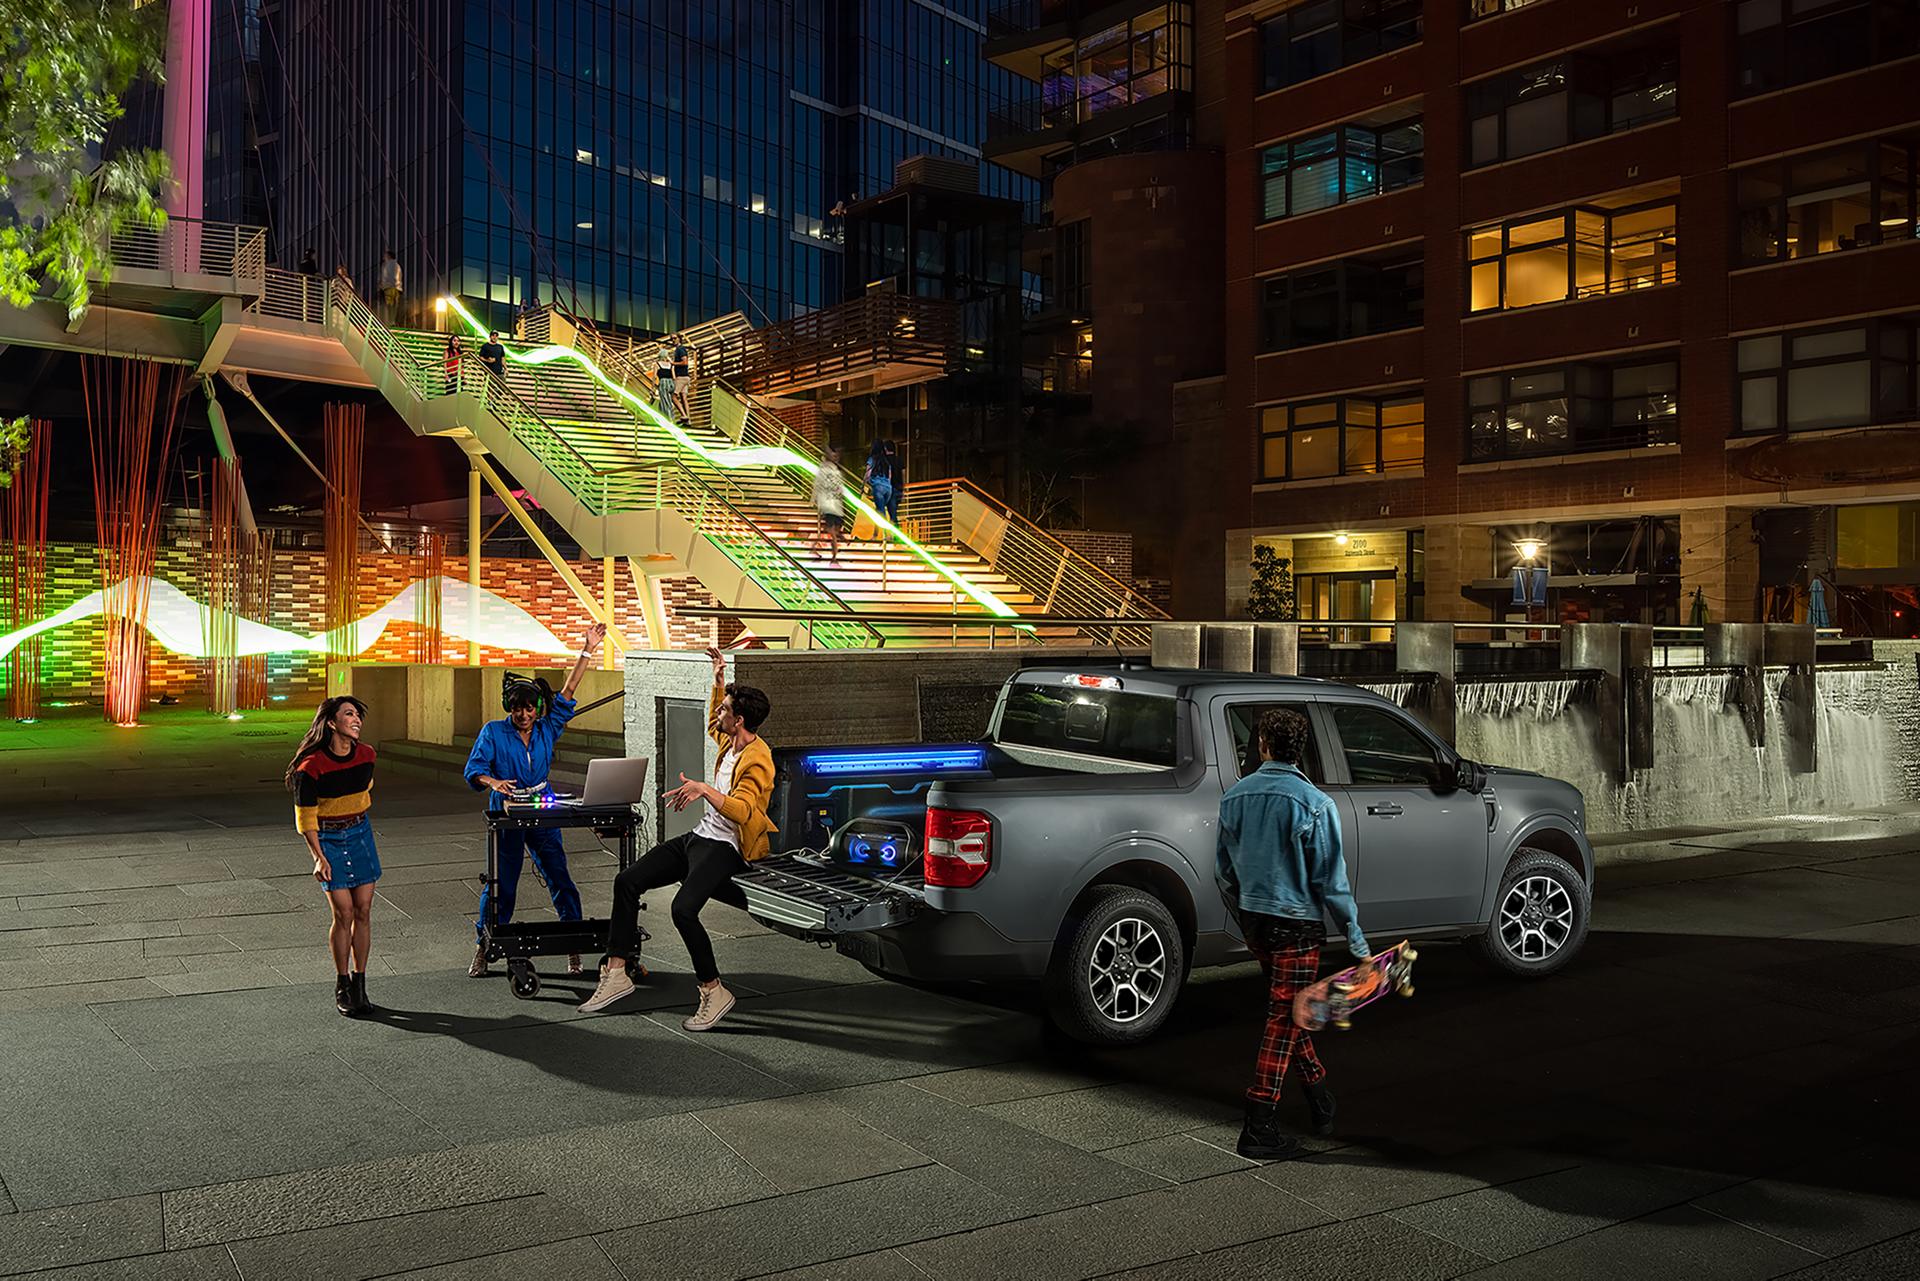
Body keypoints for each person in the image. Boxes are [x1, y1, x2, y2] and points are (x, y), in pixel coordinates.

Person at [580, 645, 777, 1031]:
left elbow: (745, 812)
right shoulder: (730, 742)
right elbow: (712, 722)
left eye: (724, 710)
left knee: (683, 910)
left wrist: (705, 790)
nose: (717, 713)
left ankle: (713, 990)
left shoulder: (759, 759)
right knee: (627, 881)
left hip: (728, 848)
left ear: (739, 721)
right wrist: (719, 679)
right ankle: (617, 973)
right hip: (701, 838)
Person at [1216, 707, 1370, 1162]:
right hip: (1297, 925)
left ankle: (1321, 1099)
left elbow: (1224, 872)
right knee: (1284, 1020)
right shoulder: (1316, 804)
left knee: (1291, 1010)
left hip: (1256, 920)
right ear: (1300, 749)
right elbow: (1332, 882)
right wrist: (1357, 942)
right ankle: (1258, 1126)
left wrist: (1245, 912)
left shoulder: (1234, 798)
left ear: (1262, 744)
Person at [464, 622, 607, 978]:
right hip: (508, 811)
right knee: (501, 884)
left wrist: (587, 649)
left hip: (543, 807)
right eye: (517, 709)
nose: (524, 715)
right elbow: (475, 768)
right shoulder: (493, 732)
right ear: (509, 708)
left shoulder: (547, 727)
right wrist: (493, 781)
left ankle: (573, 946)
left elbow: (570, 688)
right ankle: (485, 947)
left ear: (537, 708)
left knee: (560, 877)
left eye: (529, 708)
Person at [287, 695, 380, 1017]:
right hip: (327, 838)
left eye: (358, 714)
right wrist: (318, 856)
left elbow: (364, 790)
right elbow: (305, 818)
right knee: (344, 913)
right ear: (331, 723)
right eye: (349, 714)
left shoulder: (367, 754)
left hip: (361, 834)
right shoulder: (310, 767)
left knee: (364, 910)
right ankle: (342, 982)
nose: (357, 720)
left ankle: (361, 983)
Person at [806, 445, 847, 565]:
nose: (836, 458)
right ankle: (834, 558)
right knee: (832, 531)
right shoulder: (824, 469)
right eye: (834, 456)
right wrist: (813, 500)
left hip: (835, 505)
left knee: (829, 531)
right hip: (828, 504)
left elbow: (839, 487)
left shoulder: (835, 469)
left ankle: (813, 549)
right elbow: (817, 485)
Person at [654, 334, 679, 421]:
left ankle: (669, 419)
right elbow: (674, 377)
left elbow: (654, 377)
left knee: (665, 402)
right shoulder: (670, 364)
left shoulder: (657, 364)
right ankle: (662, 418)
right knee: (666, 401)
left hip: (663, 383)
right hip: (671, 383)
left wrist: (652, 388)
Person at [378, 250, 403, 323]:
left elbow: (384, 277)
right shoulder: (398, 265)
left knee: (388, 305)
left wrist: (381, 285)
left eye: (385, 256)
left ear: (388, 256)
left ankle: (389, 321)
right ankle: (393, 321)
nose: (383, 257)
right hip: (397, 288)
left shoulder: (386, 265)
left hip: (388, 287)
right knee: (394, 306)